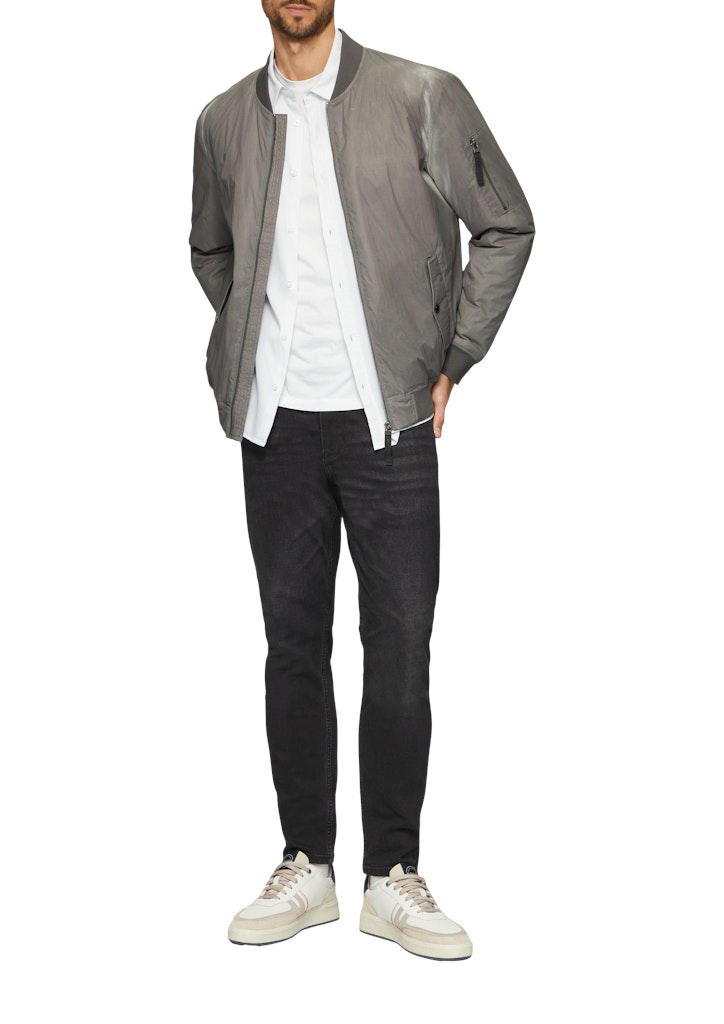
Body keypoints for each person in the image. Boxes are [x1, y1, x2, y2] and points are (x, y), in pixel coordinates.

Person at [189, 0, 535, 961]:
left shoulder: (421, 95)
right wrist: (254, 339)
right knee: (292, 649)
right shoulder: (222, 120)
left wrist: (452, 356)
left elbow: (505, 224)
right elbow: (212, 250)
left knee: (401, 648)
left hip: (391, 423)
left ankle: (393, 876)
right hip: (274, 427)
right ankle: (308, 865)